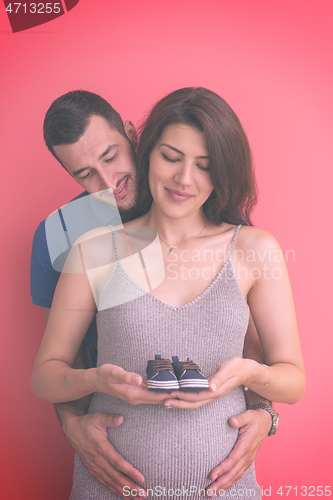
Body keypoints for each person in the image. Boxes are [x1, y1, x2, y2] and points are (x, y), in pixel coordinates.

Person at [30, 90, 285, 498]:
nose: (107, 183)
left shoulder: (204, 201)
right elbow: (59, 361)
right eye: (84, 173)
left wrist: (264, 414)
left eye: (111, 157)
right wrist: (72, 426)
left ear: (133, 136)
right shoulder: (60, 237)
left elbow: (247, 343)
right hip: (117, 456)